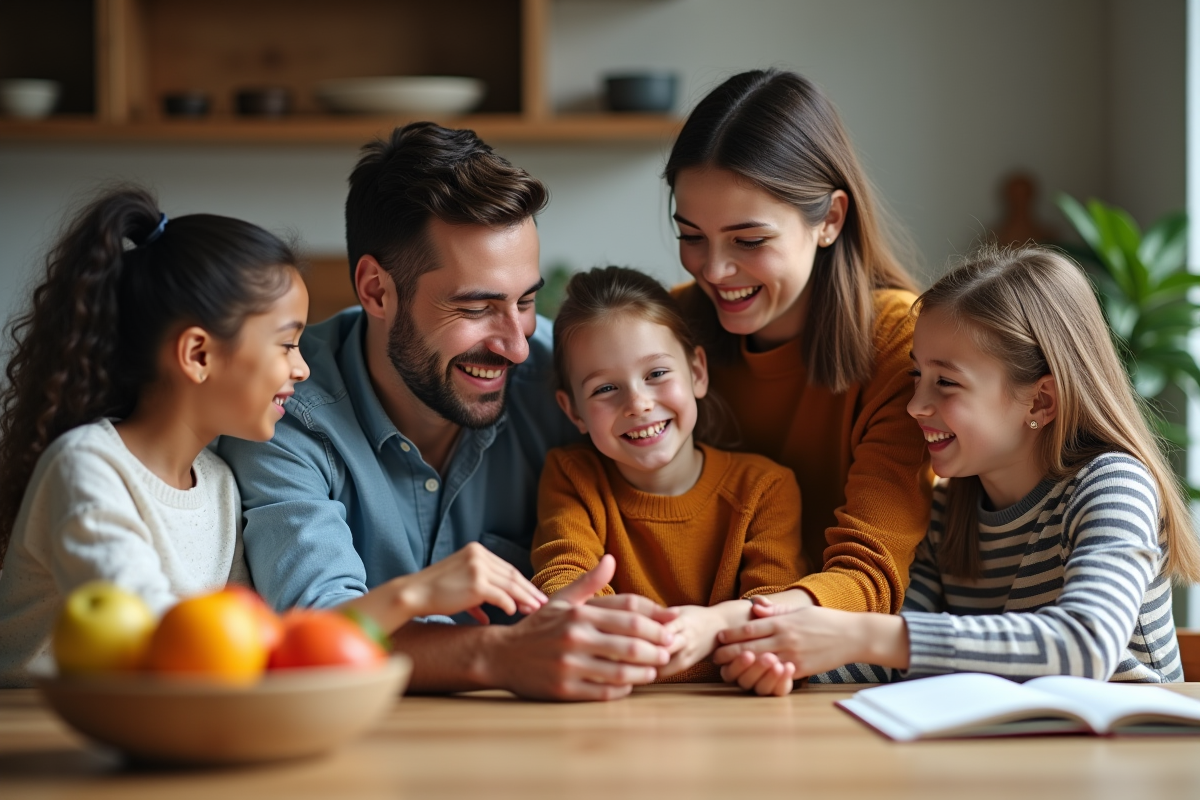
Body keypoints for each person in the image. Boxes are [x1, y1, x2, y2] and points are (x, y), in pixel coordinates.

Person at [0, 187, 549, 687]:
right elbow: (172, 645)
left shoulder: (216, 482)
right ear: (199, 355)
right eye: (287, 345)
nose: (304, 368)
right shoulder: (89, 466)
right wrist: (414, 594)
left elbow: (261, 650)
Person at [219, 123, 679, 701]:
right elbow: (313, 635)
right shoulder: (285, 409)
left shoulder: (563, 384)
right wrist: (501, 656)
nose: (515, 344)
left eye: (527, 301)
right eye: (477, 307)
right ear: (377, 290)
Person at [714, 245, 1200, 689]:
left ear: (1041, 399)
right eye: (916, 375)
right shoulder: (950, 508)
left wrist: (857, 630)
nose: (914, 405)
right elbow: (891, 658)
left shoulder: (1113, 484)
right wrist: (789, 661)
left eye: (945, 382)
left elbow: (1085, 646)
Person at [664, 69, 933, 669]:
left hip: (831, 668)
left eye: (748, 240)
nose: (714, 270)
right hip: (694, 663)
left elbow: (871, 577)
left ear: (830, 220)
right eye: (691, 236)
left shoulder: (901, 342)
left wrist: (725, 624)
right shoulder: (672, 327)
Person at [532, 266, 807, 685]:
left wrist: (757, 661)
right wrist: (712, 637)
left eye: (657, 374)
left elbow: (773, 614)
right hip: (611, 714)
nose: (638, 404)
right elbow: (566, 585)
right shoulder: (572, 476)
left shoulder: (764, 488)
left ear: (697, 372)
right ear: (573, 412)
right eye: (605, 389)